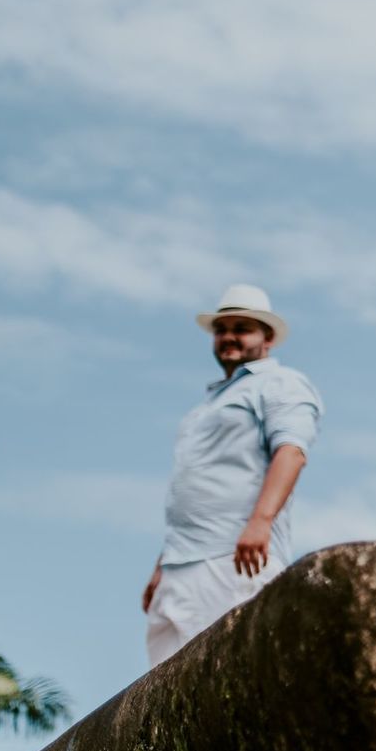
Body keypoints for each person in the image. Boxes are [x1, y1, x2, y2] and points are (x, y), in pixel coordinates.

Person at [143, 284, 322, 666]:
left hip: (234, 557)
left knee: (227, 678)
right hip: (180, 566)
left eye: (242, 328)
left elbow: (291, 452)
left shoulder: (280, 383)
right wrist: (163, 565)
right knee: (161, 703)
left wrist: (260, 522)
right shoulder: (205, 406)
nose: (229, 337)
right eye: (222, 329)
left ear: (267, 338)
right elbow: (193, 489)